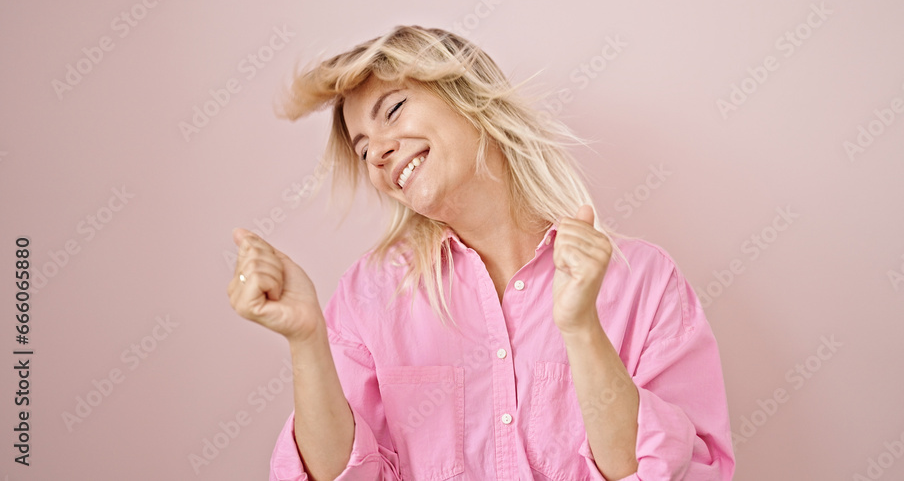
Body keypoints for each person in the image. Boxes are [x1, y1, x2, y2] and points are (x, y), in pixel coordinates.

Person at [226, 25, 735, 480]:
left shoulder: (642, 281)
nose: (377, 153)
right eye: (362, 149)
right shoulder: (369, 294)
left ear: (470, 98)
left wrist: (581, 330)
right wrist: (307, 339)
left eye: (395, 109)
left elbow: (677, 474)